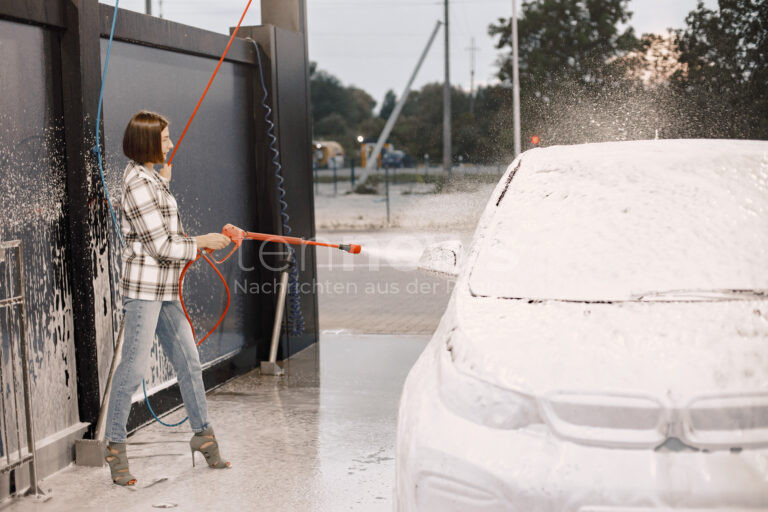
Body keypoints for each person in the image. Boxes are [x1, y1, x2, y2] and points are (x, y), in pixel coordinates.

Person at [104, 111, 232, 486]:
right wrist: (202, 242)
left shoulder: (150, 180)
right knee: (133, 370)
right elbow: (161, 245)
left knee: (190, 363)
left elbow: (166, 232)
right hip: (145, 291)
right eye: (164, 139)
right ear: (146, 143)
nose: (171, 144)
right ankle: (114, 445)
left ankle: (203, 435)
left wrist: (164, 184)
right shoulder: (137, 184)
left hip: (164, 290)